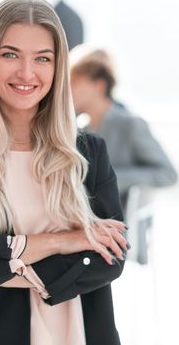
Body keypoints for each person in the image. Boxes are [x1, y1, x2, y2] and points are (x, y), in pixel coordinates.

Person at [0, 0, 128, 345]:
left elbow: (111, 259)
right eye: (10, 54)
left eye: (42, 59)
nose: (26, 73)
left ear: (57, 67)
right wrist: (67, 241)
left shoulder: (88, 152)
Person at [69, 46, 177, 264]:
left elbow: (168, 174)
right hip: (83, 224)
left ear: (99, 85)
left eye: (76, 83)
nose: (69, 91)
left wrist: (112, 179)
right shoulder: (80, 129)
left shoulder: (130, 124)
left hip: (117, 230)